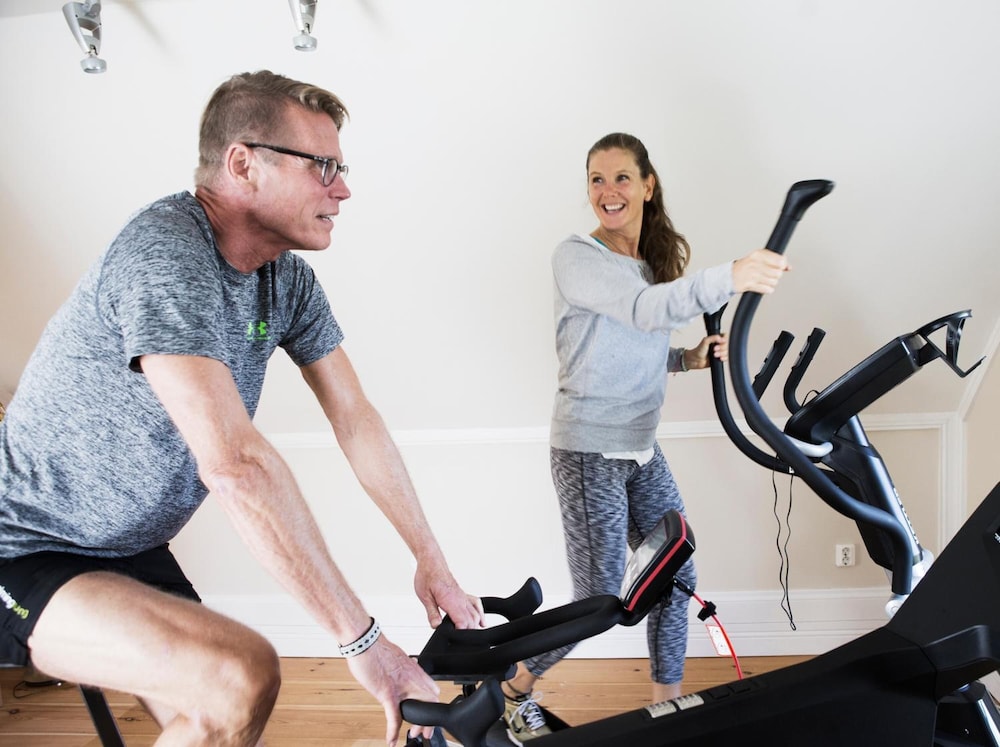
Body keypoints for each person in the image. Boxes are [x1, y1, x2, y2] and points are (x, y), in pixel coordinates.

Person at [0, 70, 484, 747]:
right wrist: (363, 641)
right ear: (243, 163)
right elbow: (235, 465)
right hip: (24, 545)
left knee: (227, 719)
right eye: (322, 166)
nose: (342, 189)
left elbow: (356, 419)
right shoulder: (166, 254)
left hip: (129, 548)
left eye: (341, 169)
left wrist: (431, 560)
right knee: (239, 676)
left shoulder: (287, 282)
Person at [500, 132, 790, 743]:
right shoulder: (576, 257)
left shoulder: (646, 265)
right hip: (589, 451)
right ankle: (508, 690)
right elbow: (642, 311)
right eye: (597, 179)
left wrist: (686, 359)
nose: (608, 191)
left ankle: (668, 713)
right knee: (599, 601)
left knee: (677, 573)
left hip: (639, 447)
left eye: (622, 178)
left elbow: (628, 346)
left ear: (647, 186)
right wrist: (731, 276)